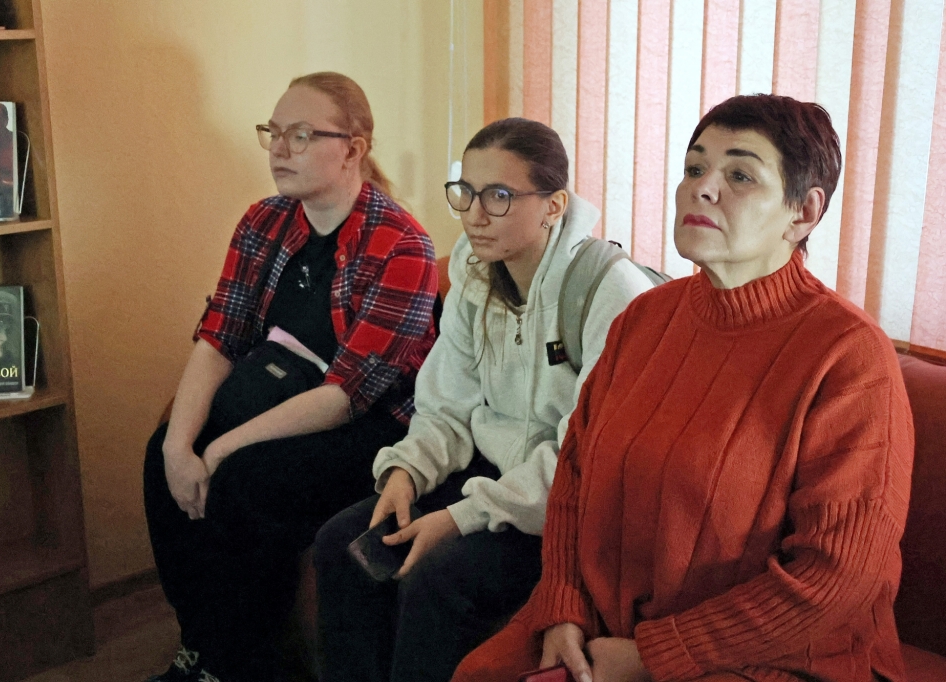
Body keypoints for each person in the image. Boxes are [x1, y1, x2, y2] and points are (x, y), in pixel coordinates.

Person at [453, 94, 915, 682]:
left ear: (803, 213)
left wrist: (652, 656)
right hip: (609, 626)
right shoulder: (644, 319)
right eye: (695, 168)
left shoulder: (848, 355)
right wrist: (563, 607)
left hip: (779, 653)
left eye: (740, 175)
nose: (702, 188)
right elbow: (575, 476)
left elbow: (838, 577)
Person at [313, 118, 656, 682]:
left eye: (498, 196)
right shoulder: (475, 273)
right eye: (465, 192)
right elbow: (445, 404)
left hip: (563, 506)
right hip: (490, 474)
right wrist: (406, 471)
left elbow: (584, 460)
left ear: (553, 206)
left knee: (437, 581)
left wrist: (460, 518)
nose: (474, 214)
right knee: (340, 545)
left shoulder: (610, 292)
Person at [142, 72, 438, 682]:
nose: (279, 149)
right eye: (274, 133)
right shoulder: (265, 220)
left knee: (242, 479)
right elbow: (220, 335)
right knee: (160, 455)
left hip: (373, 422)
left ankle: (241, 664)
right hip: (288, 392)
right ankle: (200, 644)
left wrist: (220, 448)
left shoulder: (403, 245)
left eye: (301, 135)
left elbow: (347, 395)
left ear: (353, 149)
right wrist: (178, 444)